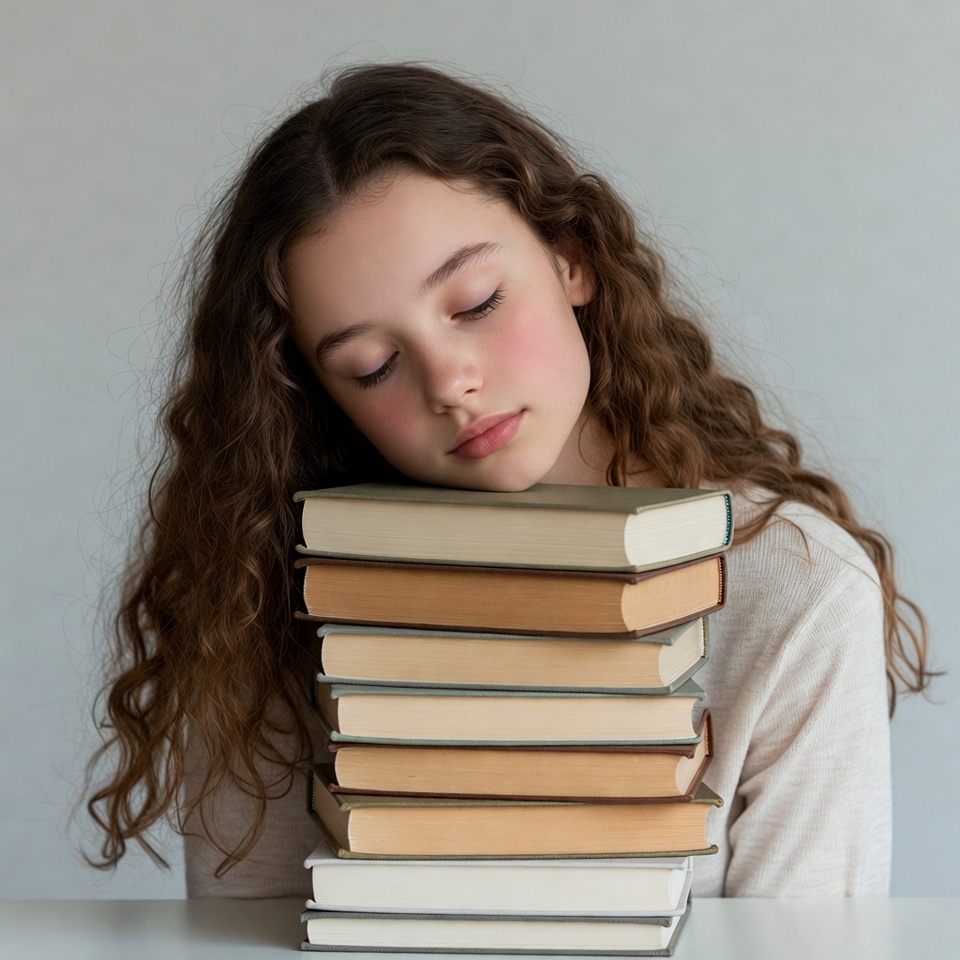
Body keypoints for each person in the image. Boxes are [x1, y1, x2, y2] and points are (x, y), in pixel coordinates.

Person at [85, 62, 932, 898]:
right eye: (373, 366)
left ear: (572, 259)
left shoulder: (797, 591)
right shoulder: (266, 599)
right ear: (315, 393)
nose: (449, 381)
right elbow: (246, 933)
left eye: (478, 302)